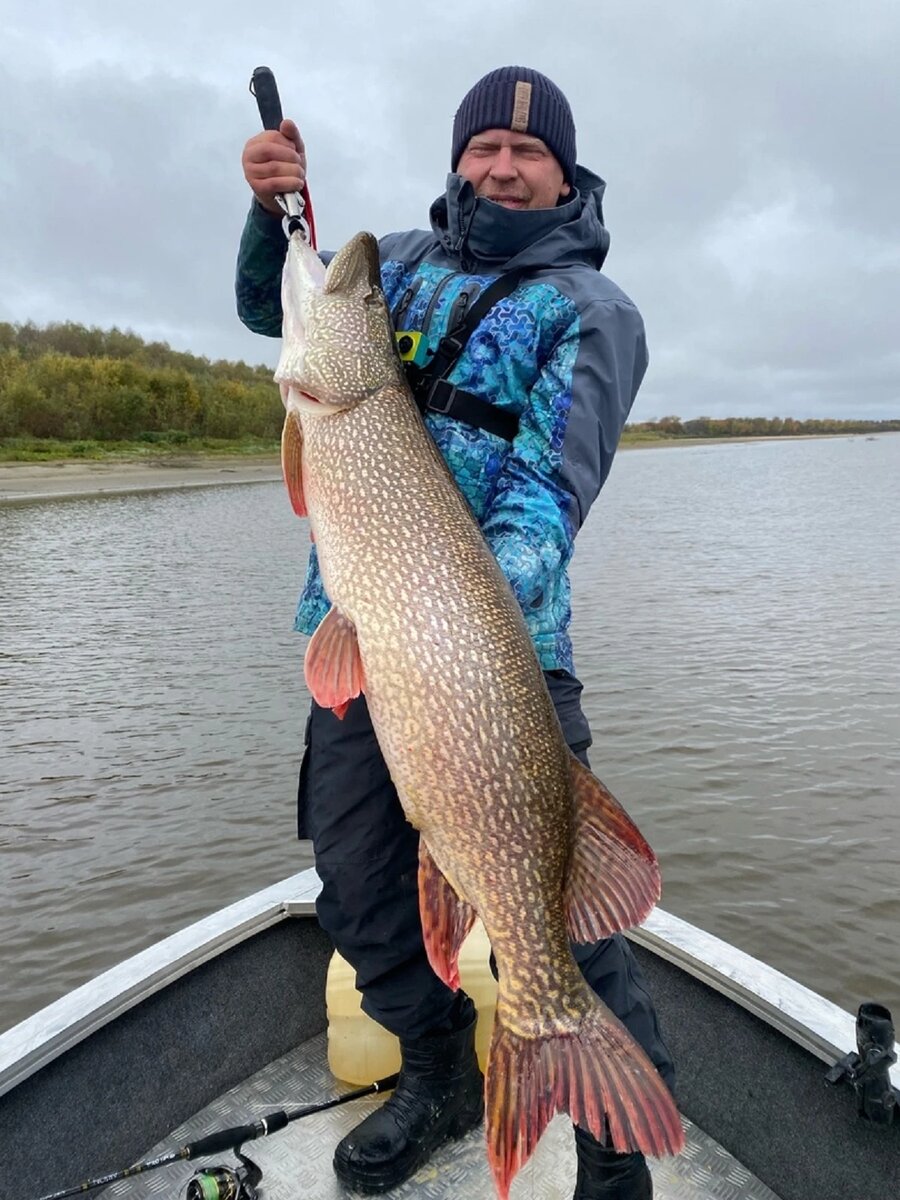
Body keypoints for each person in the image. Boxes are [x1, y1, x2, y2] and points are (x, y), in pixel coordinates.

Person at [236, 66, 675, 1200]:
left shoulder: (592, 313)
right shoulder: (401, 267)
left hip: (496, 665)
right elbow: (269, 310)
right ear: (459, 159)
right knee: (361, 896)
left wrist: (447, 604)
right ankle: (440, 1077)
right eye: (481, 146)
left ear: (564, 173)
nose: (498, 164)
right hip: (355, 646)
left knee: (562, 927)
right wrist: (268, 211)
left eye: (525, 151)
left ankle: (617, 1170)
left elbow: (547, 495)